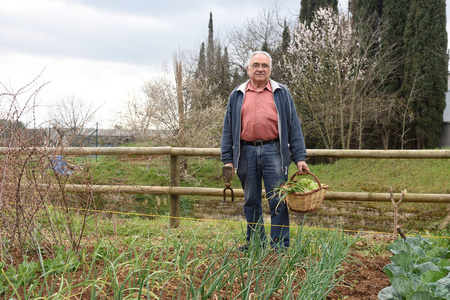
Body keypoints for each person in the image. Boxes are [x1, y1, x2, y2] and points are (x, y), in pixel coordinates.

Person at [221, 51, 309, 251]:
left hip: (275, 151)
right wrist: (227, 159)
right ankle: (256, 243)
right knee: (251, 199)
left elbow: (293, 125)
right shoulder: (237, 94)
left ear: (270, 69)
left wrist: (300, 157)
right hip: (245, 152)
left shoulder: (281, 92)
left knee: (278, 199)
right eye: (256, 65)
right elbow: (228, 128)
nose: (260, 69)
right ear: (248, 69)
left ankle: (279, 246)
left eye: (264, 65)